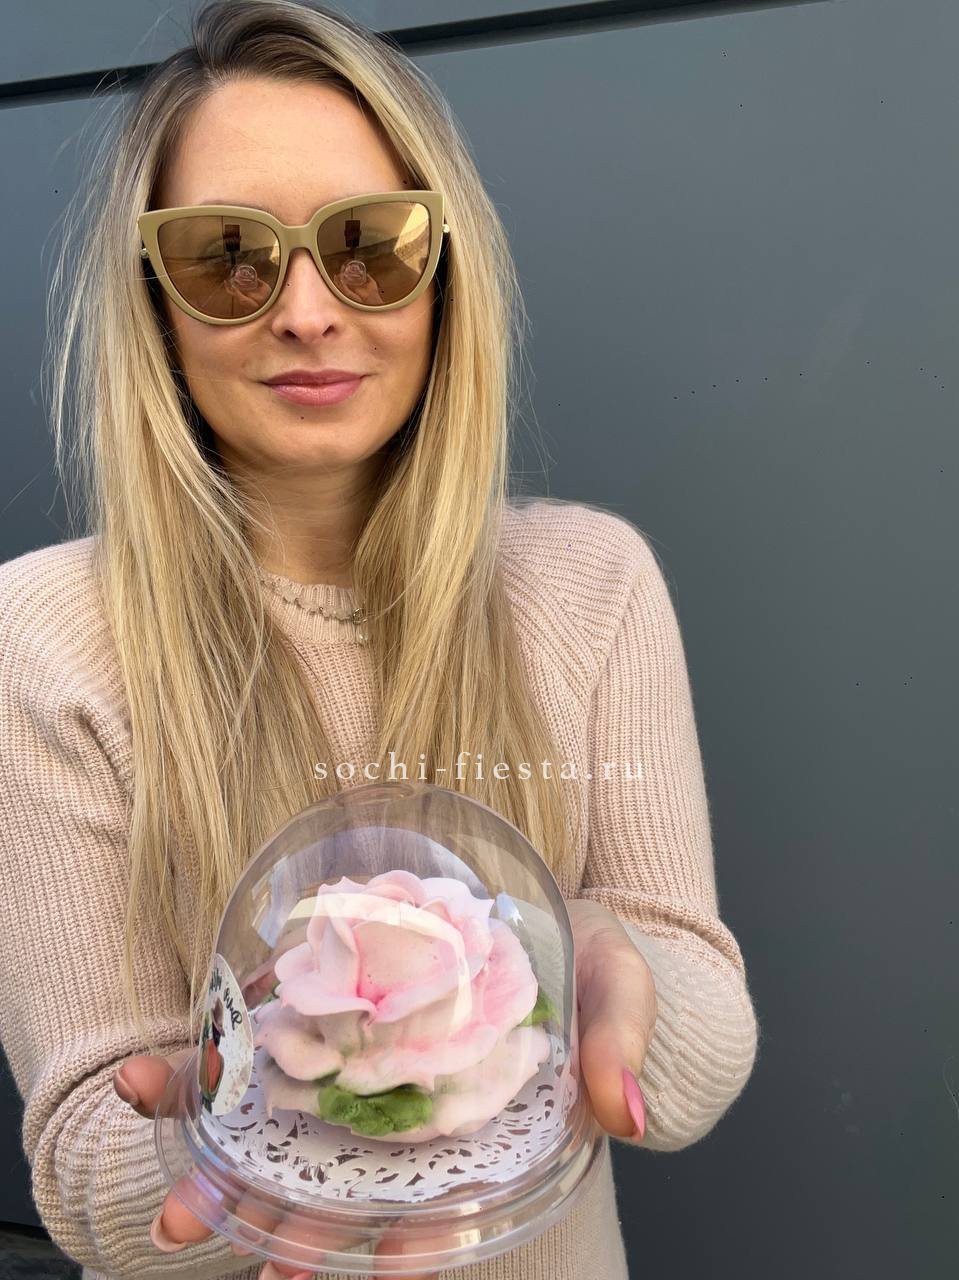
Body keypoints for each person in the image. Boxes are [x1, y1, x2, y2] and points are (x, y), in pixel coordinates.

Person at [0, 2, 760, 1278]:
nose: (305, 311)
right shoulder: (43, 639)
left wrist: (599, 959)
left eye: (369, 246)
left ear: (444, 270)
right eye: (226, 256)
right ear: (154, 301)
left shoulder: (590, 583)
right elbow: (90, 1166)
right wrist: (269, 1123)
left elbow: (692, 1033)